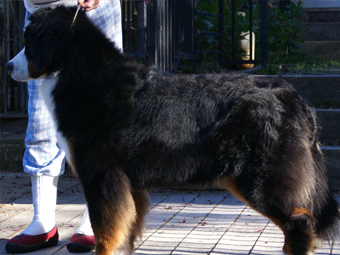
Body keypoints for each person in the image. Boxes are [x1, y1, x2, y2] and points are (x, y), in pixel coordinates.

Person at [5, 0, 122, 253]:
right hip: (39, 10)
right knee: (40, 122)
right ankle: (43, 223)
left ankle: (96, 218)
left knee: (99, 120)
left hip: (89, 9)